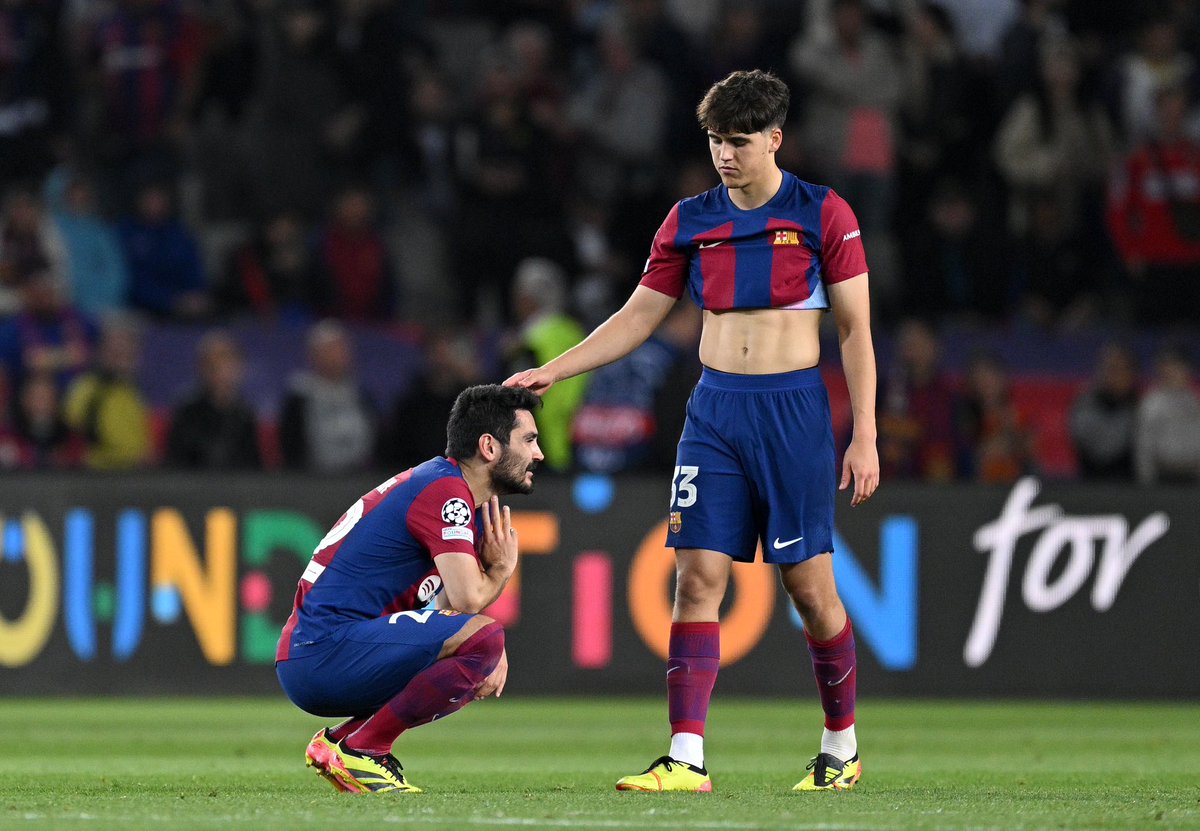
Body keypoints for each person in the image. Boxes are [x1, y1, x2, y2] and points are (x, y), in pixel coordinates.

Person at [506, 69, 879, 793]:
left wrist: (863, 433)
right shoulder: (689, 220)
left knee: (810, 590)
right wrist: (554, 369)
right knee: (696, 578)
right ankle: (686, 755)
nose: (724, 155)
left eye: (738, 141)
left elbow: (858, 330)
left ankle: (841, 743)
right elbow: (638, 317)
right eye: (714, 141)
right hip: (714, 412)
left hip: (794, 411)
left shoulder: (823, 213)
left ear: (774, 138)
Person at [275, 384, 543, 794]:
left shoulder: (445, 487)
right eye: (529, 440)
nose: (538, 454)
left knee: (481, 643)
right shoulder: (446, 492)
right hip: (325, 652)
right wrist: (502, 570)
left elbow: (454, 607)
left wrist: (484, 644)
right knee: (484, 638)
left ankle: (342, 743)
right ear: (489, 447)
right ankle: (365, 750)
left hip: (319, 652)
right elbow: (470, 600)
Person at [279, 320, 379, 474]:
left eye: (340, 348)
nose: (336, 355)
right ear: (313, 355)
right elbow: (291, 447)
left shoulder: (362, 396)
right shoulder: (299, 398)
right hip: (313, 480)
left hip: (359, 479)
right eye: (329, 349)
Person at [164, 331, 261, 470]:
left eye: (228, 363)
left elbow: (254, 465)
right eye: (213, 364)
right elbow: (176, 461)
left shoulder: (244, 414)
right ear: (203, 369)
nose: (221, 372)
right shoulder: (188, 411)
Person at [1134, 344, 1200, 485]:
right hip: (1162, 476)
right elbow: (1144, 447)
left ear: (1187, 369)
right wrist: (1146, 481)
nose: (1172, 372)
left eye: (1177, 366)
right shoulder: (1151, 403)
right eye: (1167, 366)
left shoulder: (1195, 402)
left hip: (1193, 477)